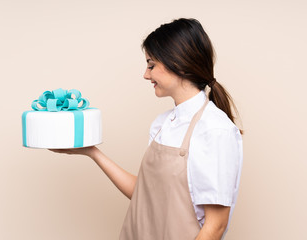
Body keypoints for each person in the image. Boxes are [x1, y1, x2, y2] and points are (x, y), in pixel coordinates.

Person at [50, 18, 243, 240]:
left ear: (178, 63)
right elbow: (144, 193)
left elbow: (215, 226)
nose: (146, 74)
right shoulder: (162, 124)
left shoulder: (215, 129)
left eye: (151, 65)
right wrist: (92, 152)